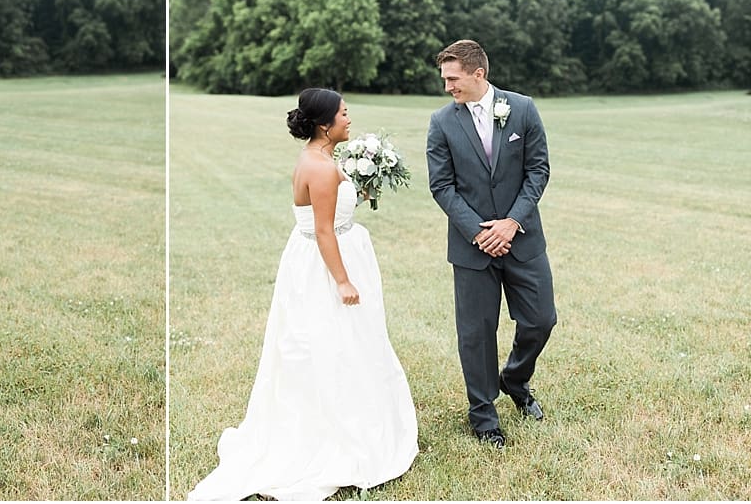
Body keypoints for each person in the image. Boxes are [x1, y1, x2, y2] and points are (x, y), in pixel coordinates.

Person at [189, 88, 418, 501]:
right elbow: (325, 230)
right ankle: (335, 430)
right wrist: (344, 281)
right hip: (325, 264)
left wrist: (361, 190)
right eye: (344, 114)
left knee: (323, 343)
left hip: (310, 260)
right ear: (324, 124)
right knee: (334, 343)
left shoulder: (318, 159)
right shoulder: (324, 169)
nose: (349, 119)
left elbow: (328, 214)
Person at [426, 39, 556, 449]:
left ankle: (515, 379)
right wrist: (480, 232)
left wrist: (512, 222)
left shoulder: (523, 108)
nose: (447, 86)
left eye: (453, 78)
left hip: (523, 239)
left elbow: (538, 170)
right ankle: (483, 416)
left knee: (541, 320)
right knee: (477, 333)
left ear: (478, 73)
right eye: (444, 79)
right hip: (472, 248)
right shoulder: (442, 122)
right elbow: (441, 186)